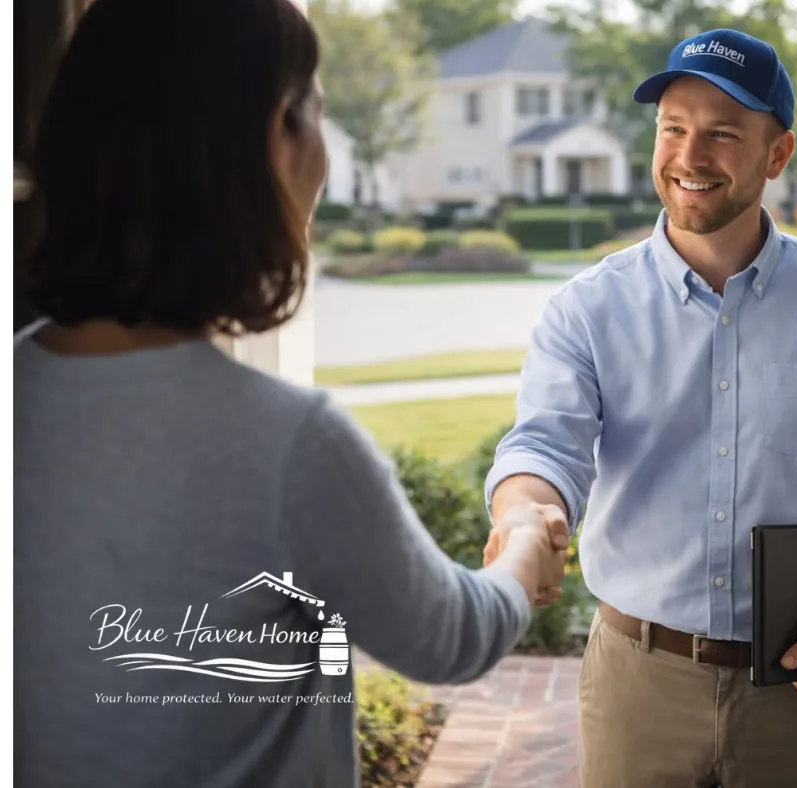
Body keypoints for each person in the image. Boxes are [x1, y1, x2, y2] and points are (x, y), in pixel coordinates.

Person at [12, 1, 566, 786]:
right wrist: (523, 550)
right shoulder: (287, 441)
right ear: (279, 132)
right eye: (318, 117)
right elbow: (450, 637)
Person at [482, 28, 797, 788]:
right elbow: (544, 446)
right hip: (640, 683)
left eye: (722, 134)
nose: (689, 156)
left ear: (778, 155)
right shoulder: (587, 309)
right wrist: (522, 520)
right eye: (674, 129)